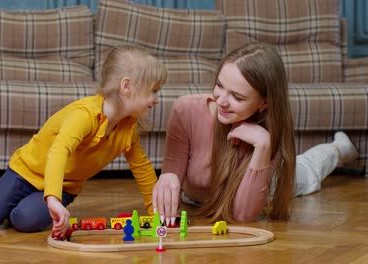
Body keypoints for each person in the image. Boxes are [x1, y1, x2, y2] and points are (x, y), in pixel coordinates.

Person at [0, 46, 167, 237]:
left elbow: (143, 170)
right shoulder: (84, 115)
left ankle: (12, 207)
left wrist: (156, 213)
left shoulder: (128, 128)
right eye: (153, 91)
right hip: (26, 173)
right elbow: (59, 151)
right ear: (126, 86)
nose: (156, 99)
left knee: (24, 220)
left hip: (64, 186)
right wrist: (52, 199)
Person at [152, 42, 359, 225]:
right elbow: (171, 176)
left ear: (264, 103)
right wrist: (167, 180)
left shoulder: (269, 132)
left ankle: (339, 148)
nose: (221, 100)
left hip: (264, 183)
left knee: (307, 169)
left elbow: (243, 215)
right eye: (219, 85)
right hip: (198, 199)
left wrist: (263, 146)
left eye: (237, 96)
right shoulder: (186, 110)